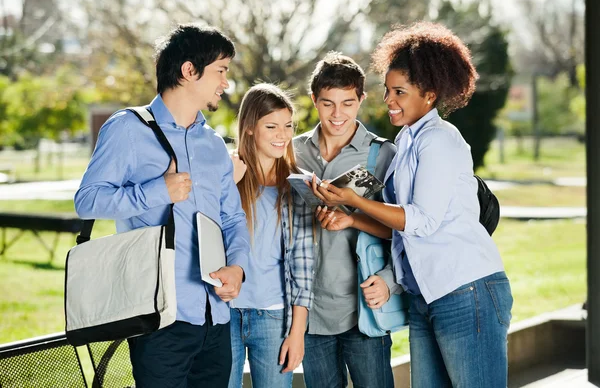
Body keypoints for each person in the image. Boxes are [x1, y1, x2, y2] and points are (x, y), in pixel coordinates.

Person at [314, 22, 513, 387]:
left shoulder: (439, 139)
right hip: (425, 296)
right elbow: (401, 229)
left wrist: (355, 200)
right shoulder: (406, 140)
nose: (389, 100)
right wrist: (351, 219)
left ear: (430, 94)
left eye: (399, 92)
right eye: (388, 90)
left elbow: (420, 221)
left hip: (465, 291)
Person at [74, 24, 250, 388]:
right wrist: (158, 191)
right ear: (189, 71)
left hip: (215, 319)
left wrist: (238, 268)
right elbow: (87, 199)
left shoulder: (214, 144)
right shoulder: (127, 128)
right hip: (160, 318)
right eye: (221, 70)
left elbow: (232, 217)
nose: (225, 83)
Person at [293, 52, 399, 388]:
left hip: (363, 306)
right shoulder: (292, 152)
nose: (337, 115)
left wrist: (389, 279)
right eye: (327, 104)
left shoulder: (381, 155)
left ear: (362, 100)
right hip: (308, 311)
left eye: (348, 103)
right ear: (314, 100)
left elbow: (406, 228)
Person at [227, 83, 314, 387]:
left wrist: (297, 332)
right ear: (250, 127)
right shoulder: (227, 174)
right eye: (272, 126)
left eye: (288, 126)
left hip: (275, 318)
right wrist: (225, 183)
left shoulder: (299, 186)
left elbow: (304, 264)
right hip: (225, 314)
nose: (283, 135)